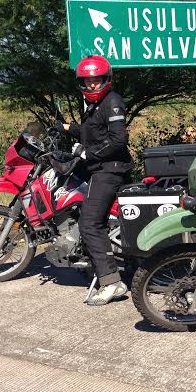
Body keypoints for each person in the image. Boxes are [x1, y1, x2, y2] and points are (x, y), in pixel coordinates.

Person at [58, 55, 133, 305]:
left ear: (106, 79)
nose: (92, 85)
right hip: (100, 168)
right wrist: (66, 128)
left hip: (109, 171)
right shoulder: (95, 105)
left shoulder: (112, 102)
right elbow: (92, 133)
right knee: (89, 215)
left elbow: (118, 140)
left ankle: (112, 282)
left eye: (96, 80)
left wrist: (89, 153)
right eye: (88, 81)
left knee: (90, 222)